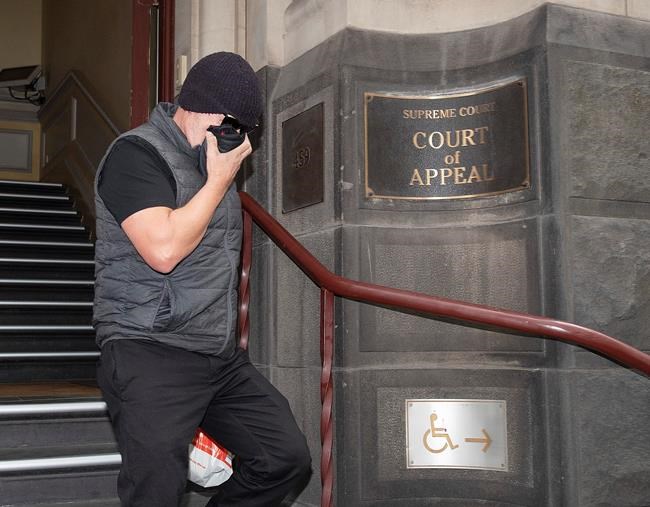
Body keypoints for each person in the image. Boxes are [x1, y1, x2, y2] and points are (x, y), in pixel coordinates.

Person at [93, 52, 311, 507]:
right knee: (156, 492)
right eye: (230, 124)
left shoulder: (211, 163)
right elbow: (164, 251)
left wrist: (216, 177)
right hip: (149, 349)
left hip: (216, 355)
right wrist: (217, 182)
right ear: (199, 106)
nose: (235, 136)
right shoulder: (135, 154)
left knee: (283, 458)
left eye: (245, 129)